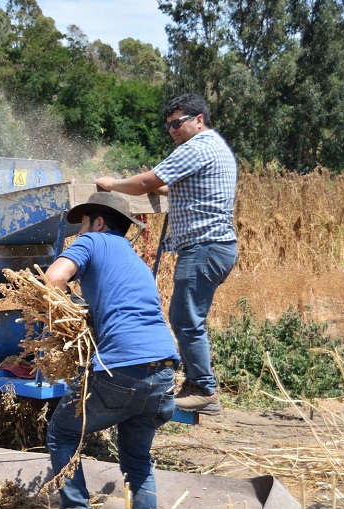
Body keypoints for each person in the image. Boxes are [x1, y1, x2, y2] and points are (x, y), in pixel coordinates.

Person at [44, 192, 178, 509]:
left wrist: (62, 310)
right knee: (137, 459)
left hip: (122, 369)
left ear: (98, 222)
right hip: (164, 371)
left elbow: (53, 277)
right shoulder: (133, 260)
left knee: (62, 434)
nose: (79, 232)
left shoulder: (92, 241)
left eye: (83, 223)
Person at [95, 93, 237, 415]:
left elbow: (150, 179)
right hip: (215, 247)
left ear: (198, 120)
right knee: (187, 318)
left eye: (178, 122)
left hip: (204, 247)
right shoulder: (214, 147)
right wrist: (149, 186)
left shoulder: (196, 147)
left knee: (185, 320)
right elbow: (172, 187)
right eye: (169, 125)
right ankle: (196, 384)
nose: (172, 129)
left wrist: (112, 184)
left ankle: (203, 389)